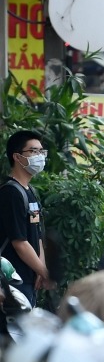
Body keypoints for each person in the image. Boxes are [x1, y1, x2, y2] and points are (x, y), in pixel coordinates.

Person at [0, 130, 52, 303]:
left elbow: (37, 235)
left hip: (29, 278)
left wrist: (39, 268)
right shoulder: (11, 193)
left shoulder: (30, 191)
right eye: (33, 151)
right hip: (11, 281)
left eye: (41, 151)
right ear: (17, 157)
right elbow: (20, 243)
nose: (40, 156)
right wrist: (45, 272)